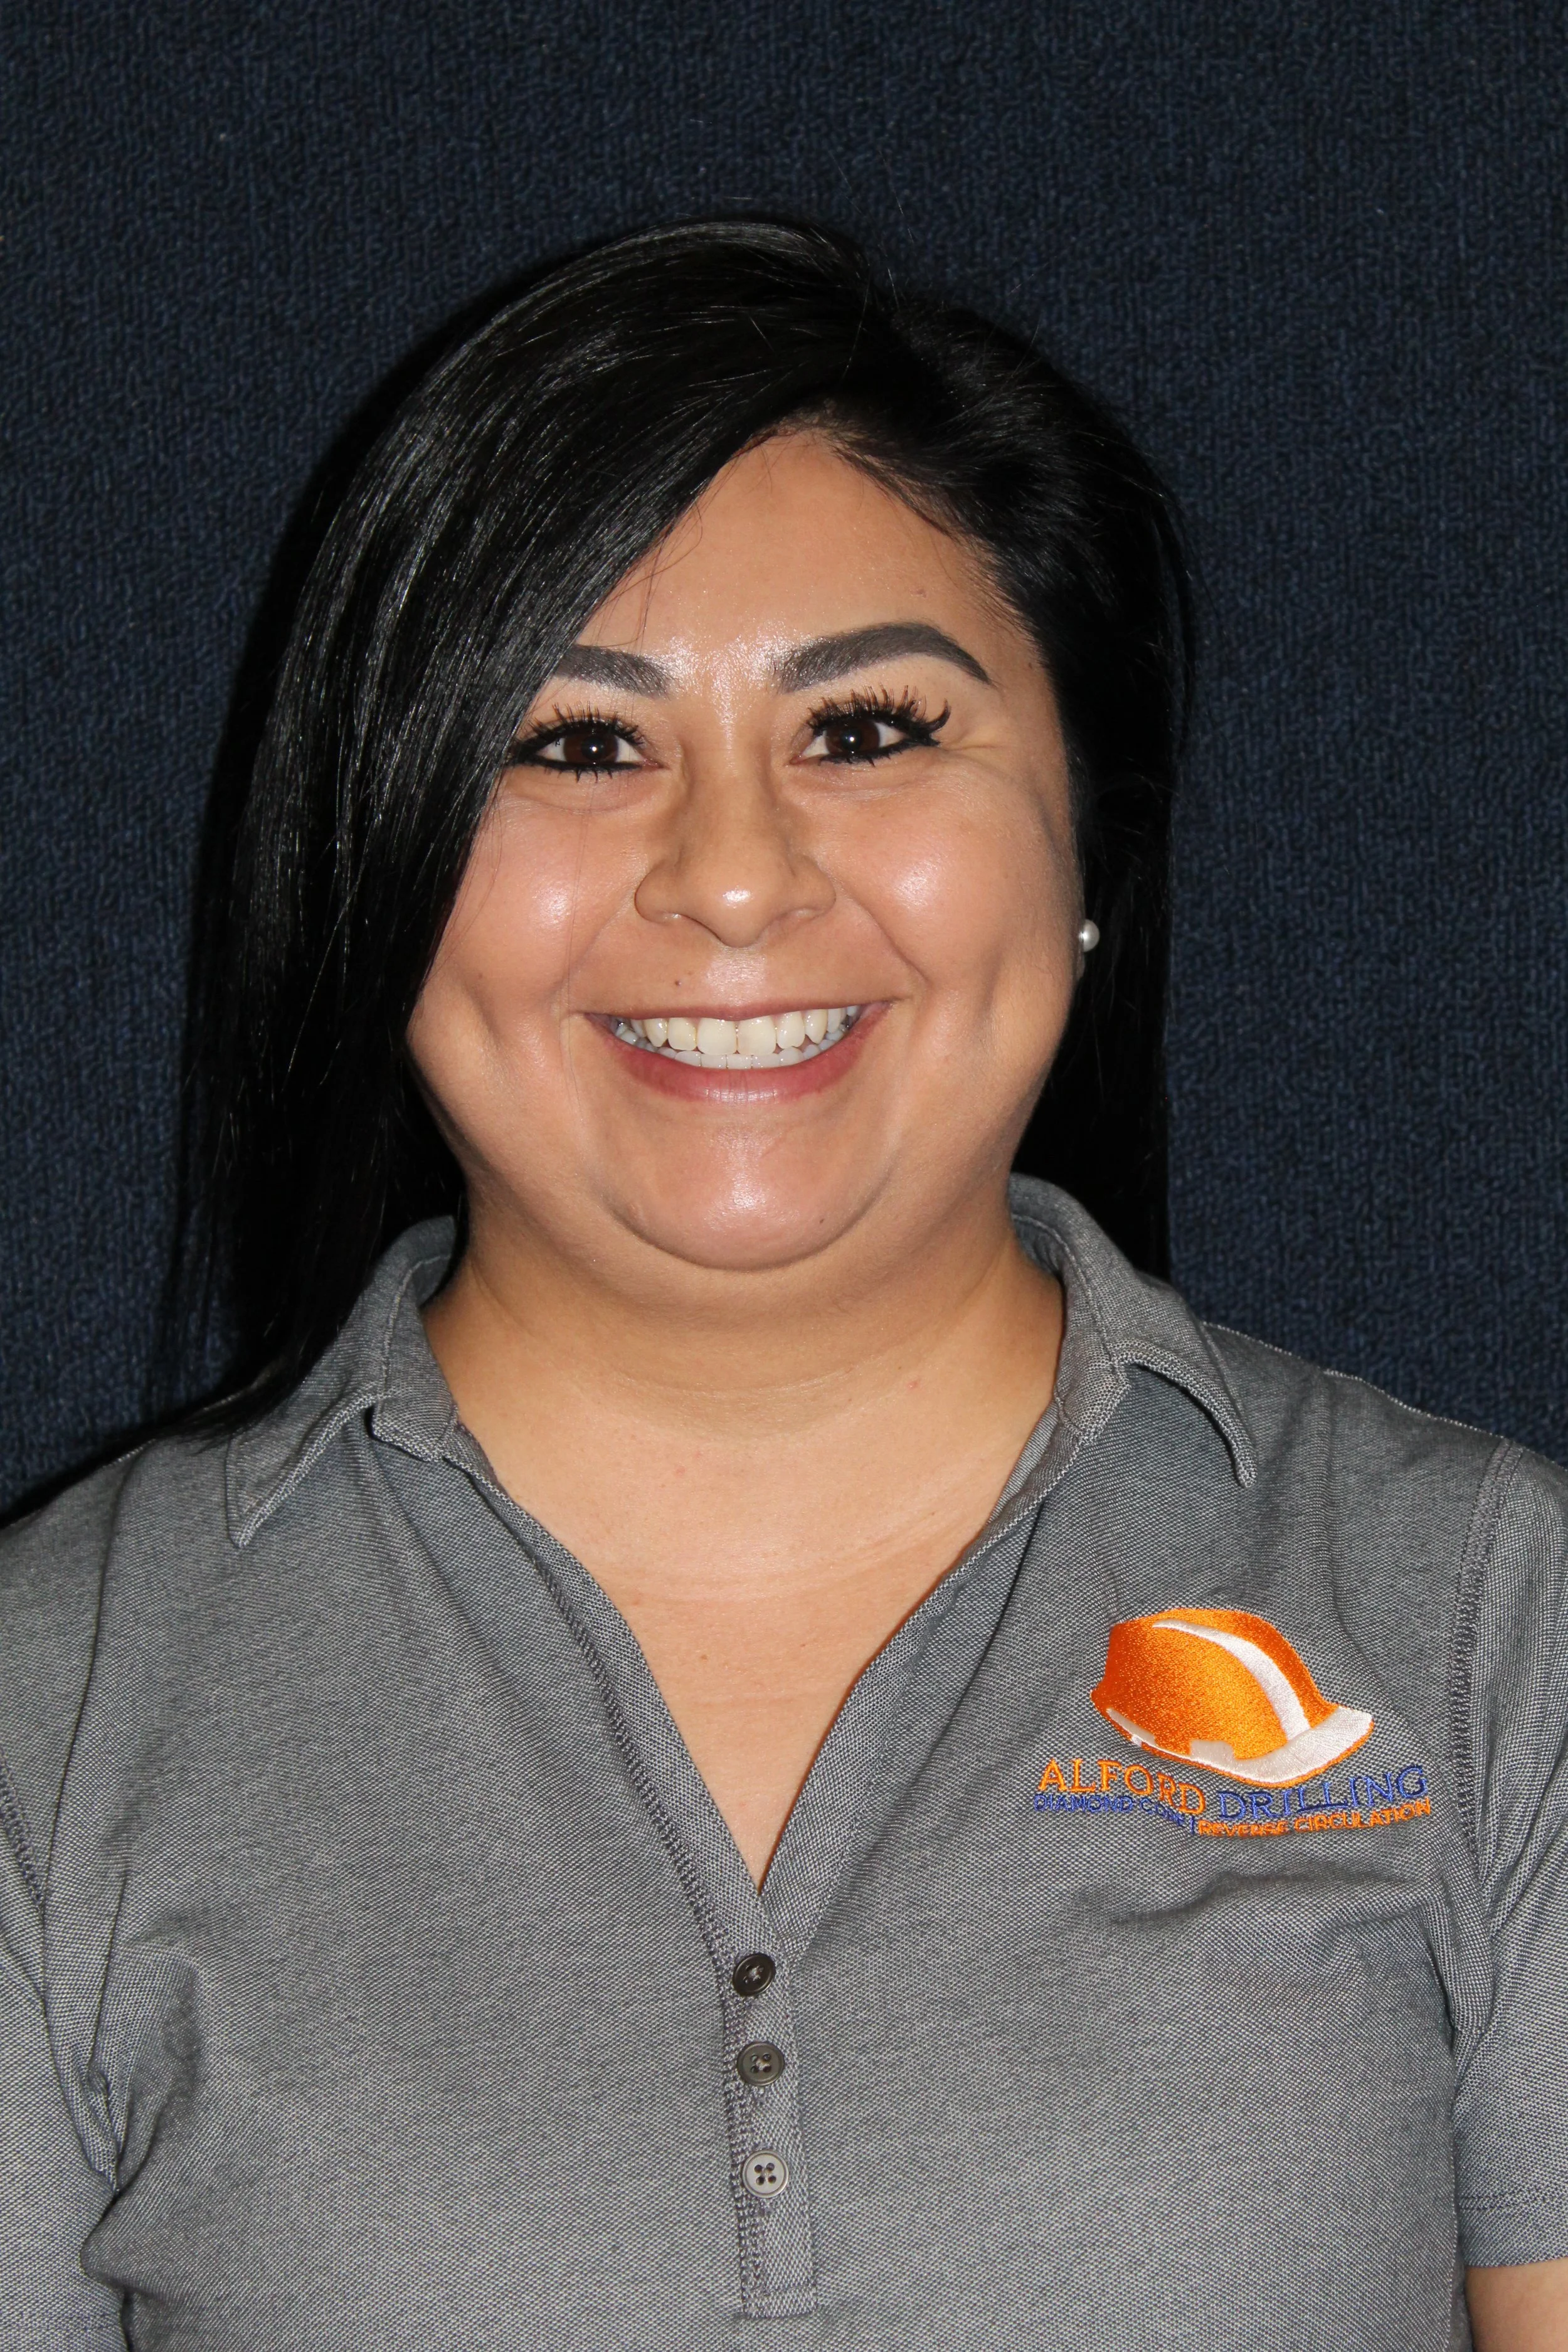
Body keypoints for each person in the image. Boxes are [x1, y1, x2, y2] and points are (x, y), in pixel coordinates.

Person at [1, 220, 1564, 2352]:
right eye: (570, 742)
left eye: (868, 728)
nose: (730, 872)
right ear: (377, 867)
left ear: (1088, 846)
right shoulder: (56, 1697)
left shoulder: (1484, 1626)